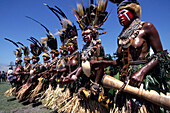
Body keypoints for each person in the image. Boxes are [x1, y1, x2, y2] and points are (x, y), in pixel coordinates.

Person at [91, 0, 170, 112]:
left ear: (133, 12)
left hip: (142, 80)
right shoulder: (121, 36)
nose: (119, 16)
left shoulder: (146, 27)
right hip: (123, 80)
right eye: (118, 14)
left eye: (123, 12)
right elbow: (120, 61)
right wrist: (103, 63)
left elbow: (161, 56)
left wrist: (141, 73)